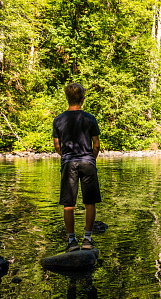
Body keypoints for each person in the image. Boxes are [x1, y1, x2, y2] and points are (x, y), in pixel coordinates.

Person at [53, 83, 101, 252]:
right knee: (90, 202)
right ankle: (87, 239)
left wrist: (66, 157)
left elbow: (57, 146)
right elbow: (96, 145)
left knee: (68, 204)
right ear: (82, 99)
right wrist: (91, 159)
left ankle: (72, 241)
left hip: (69, 163)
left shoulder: (58, 120)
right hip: (87, 162)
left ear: (67, 98)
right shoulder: (90, 118)